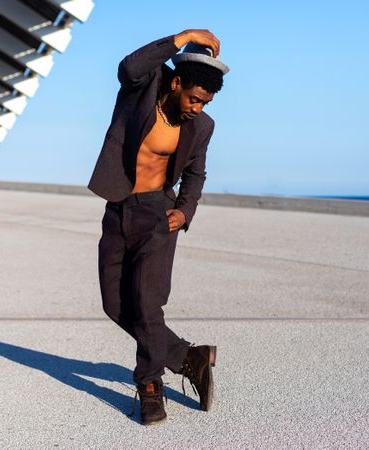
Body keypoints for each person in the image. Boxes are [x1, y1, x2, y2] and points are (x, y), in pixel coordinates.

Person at [88, 29, 229, 425]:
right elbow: (129, 67)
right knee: (115, 306)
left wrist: (186, 210)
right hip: (118, 208)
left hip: (158, 215)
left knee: (148, 305)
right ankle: (189, 357)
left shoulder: (202, 126)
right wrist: (181, 38)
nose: (198, 108)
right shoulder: (142, 91)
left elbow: (196, 174)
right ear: (177, 82)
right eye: (194, 99)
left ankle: (150, 385)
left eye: (206, 102)